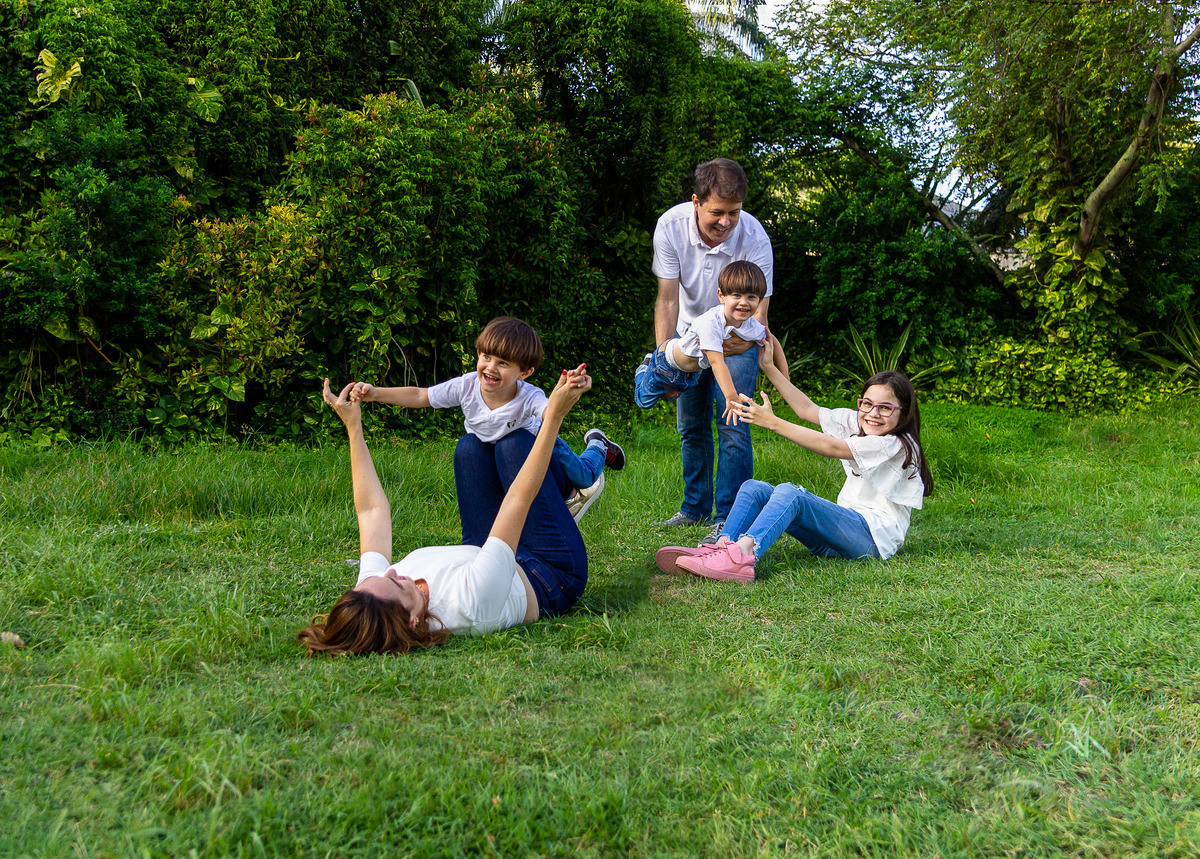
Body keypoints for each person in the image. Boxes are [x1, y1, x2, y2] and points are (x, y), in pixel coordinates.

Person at [298, 368, 591, 655]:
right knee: (515, 446)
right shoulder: (468, 604)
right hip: (547, 571)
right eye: (396, 583)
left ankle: (549, 512)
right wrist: (554, 415)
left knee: (470, 449)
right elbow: (518, 498)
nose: (392, 570)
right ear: (412, 621)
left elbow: (371, 511)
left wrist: (353, 427)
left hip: (481, 555)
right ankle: (573, 493)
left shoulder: (373, 595)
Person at [656, 340, 933, 583]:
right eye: (867, 404)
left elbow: (830, 446)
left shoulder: (894, 444)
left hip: (870, 540)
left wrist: (773, 423)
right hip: (836, 539)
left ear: (904, 413)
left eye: (886, 408)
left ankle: (742, 556)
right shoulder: (861, 421)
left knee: (792, 493)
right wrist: (769, 366)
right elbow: (806, 409)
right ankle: (720, 548)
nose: (873, 413)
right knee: (754, 488)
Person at [349, 316, 625, 522]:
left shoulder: (529, 396)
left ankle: (598, 445)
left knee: (584, 477)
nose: (490, 368)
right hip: (495, 455)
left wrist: (568, 388)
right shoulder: (466, 386)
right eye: (486, 356)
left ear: (524, 372)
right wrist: (375, 393)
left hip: (541, 446)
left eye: (503, 363)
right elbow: (421, 396)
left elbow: (548, 412)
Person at [648, 157, 784, 544]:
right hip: (690, 340)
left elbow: (759, 313)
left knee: (734, 424)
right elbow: (667, 301)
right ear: (696, 202)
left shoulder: (754, 237)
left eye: (734, 213)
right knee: (691, 427)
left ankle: (731, 516)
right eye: (717, 213)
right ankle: (694, 510)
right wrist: (665, 363)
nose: (726, 222)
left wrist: (738, 343)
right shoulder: (670, 228)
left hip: (738, 341)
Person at [635, 260, 783, 420]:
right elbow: (717, 363)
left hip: (693, 372)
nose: (744, 302)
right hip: (667, 363)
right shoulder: (710, 322)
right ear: (721, 296)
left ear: (760, 301)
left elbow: (770, 339)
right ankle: (644, 368)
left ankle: (665, 384)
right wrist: (731, 396)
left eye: (751, 297)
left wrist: (784, 375)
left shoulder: (751, 324)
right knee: (645, 401)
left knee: (670, 396)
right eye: (737, 295)